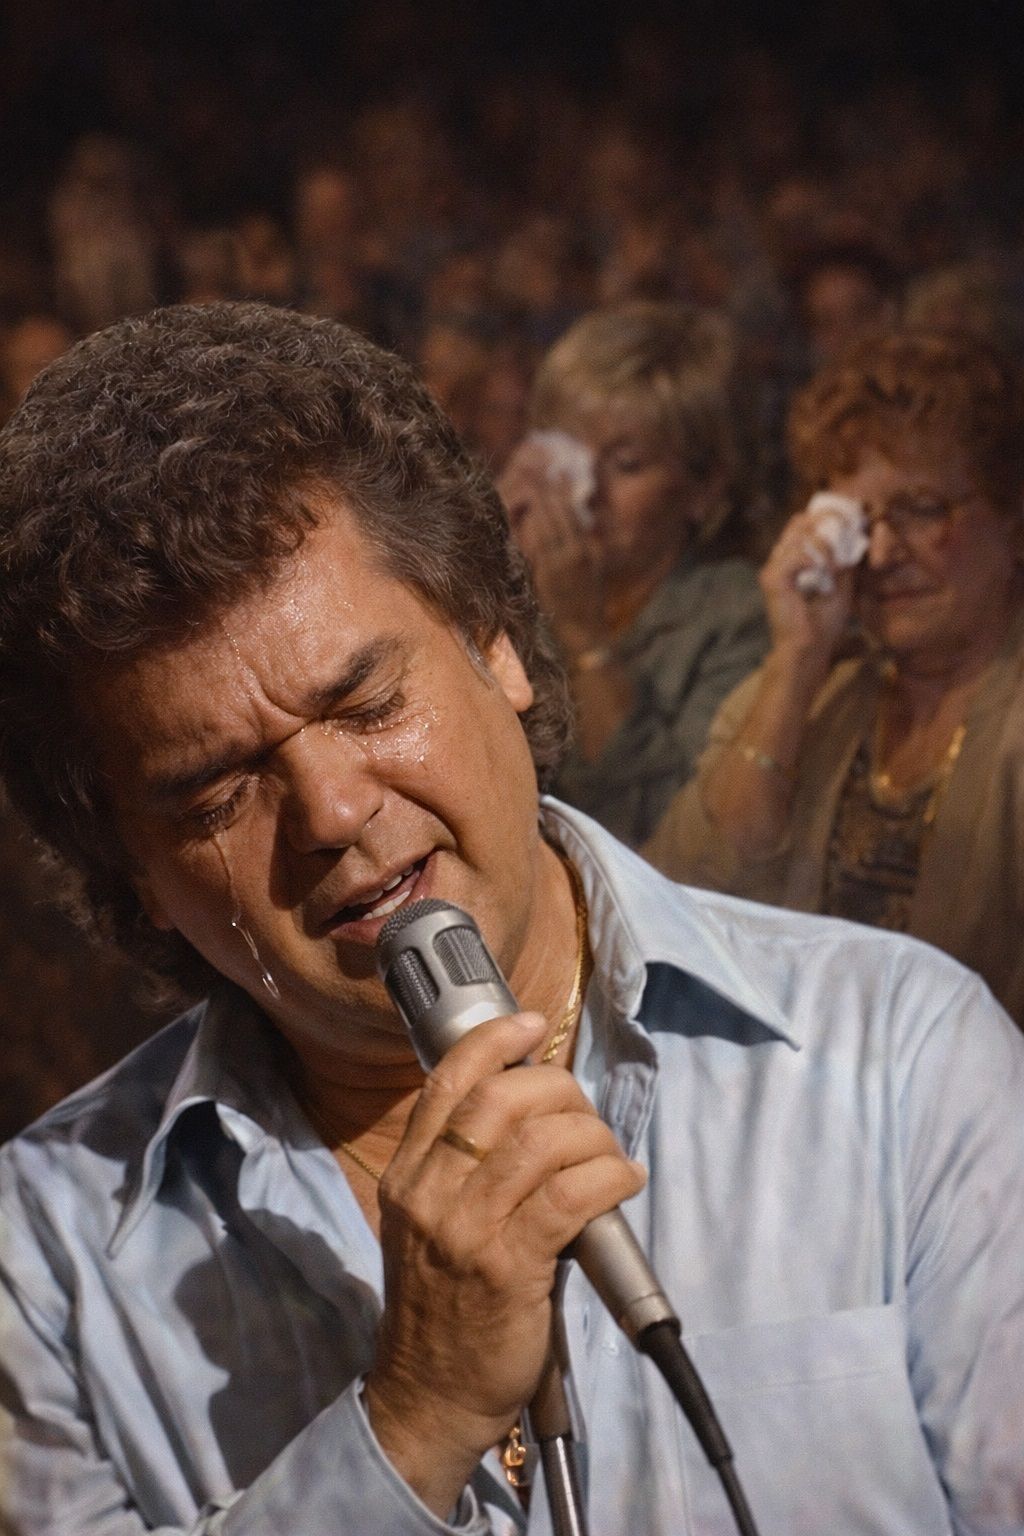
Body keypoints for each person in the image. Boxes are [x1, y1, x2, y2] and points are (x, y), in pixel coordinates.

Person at [0, 303, 1022, 1536]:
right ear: (130, 877)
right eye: (220, 794)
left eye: (367, 704)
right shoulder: (44, 1262)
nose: (330, 810)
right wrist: (410, 1421)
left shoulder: (899, 1060)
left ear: (498, 645)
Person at [645, 328, 1024, 1025]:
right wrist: (797, 658)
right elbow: (681, 904)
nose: (880, 553)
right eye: (858, 519)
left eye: (920, 509)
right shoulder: (818, 689)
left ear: (1012, 516)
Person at [498, 301, 770, 848]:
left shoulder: (737, 615)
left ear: (703, 489)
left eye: (627, 465)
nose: (588, 490)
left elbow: (661, 829)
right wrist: (483, 559)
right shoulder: (520, 579)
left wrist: (584, 637)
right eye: (570, 453)